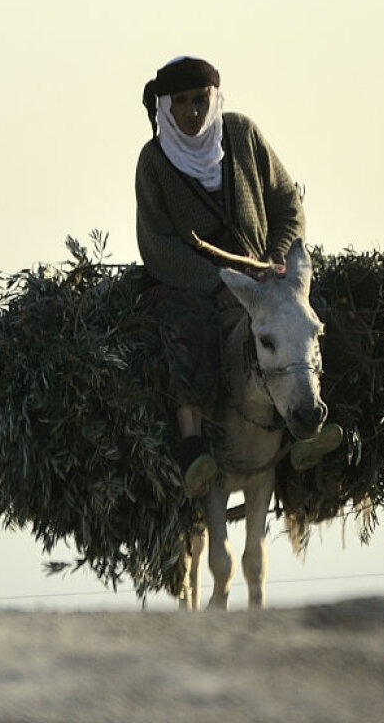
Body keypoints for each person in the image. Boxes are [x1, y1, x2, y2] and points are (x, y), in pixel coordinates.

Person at [135, 55, 342, 497]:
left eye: (201, 99)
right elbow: (158, 244)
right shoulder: (154, 162)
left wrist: (274, 257)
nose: (193, 111)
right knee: (188, 330)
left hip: (266, 277)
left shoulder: (243, 135)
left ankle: (313, 427)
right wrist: (217, 278)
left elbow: (287, 202)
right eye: (182, 102)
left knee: (312, 318)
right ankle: (193, 450)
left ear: (215, 98)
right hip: (196, 283)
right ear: (166, 108)